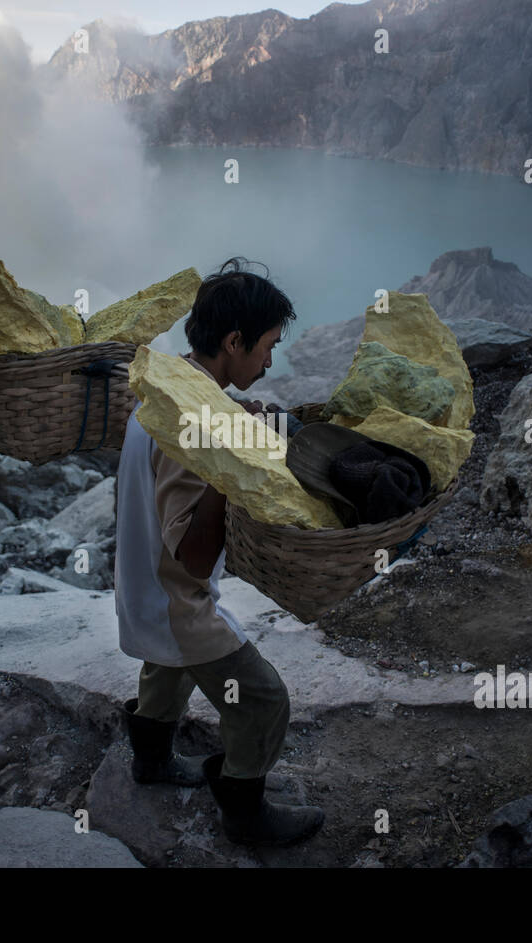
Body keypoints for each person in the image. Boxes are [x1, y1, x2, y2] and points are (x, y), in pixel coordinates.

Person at [113, 256, 325, 847]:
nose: (269, 360)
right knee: (261, 701)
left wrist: (231, 426)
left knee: (167, 668)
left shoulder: (171, 386)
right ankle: (244, 816)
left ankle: (151, 762)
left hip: (140, 582)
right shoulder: (193, 422)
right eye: (267, 347)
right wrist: (229, 471)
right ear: (233, 341)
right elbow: (195, 555)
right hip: (175, 593)